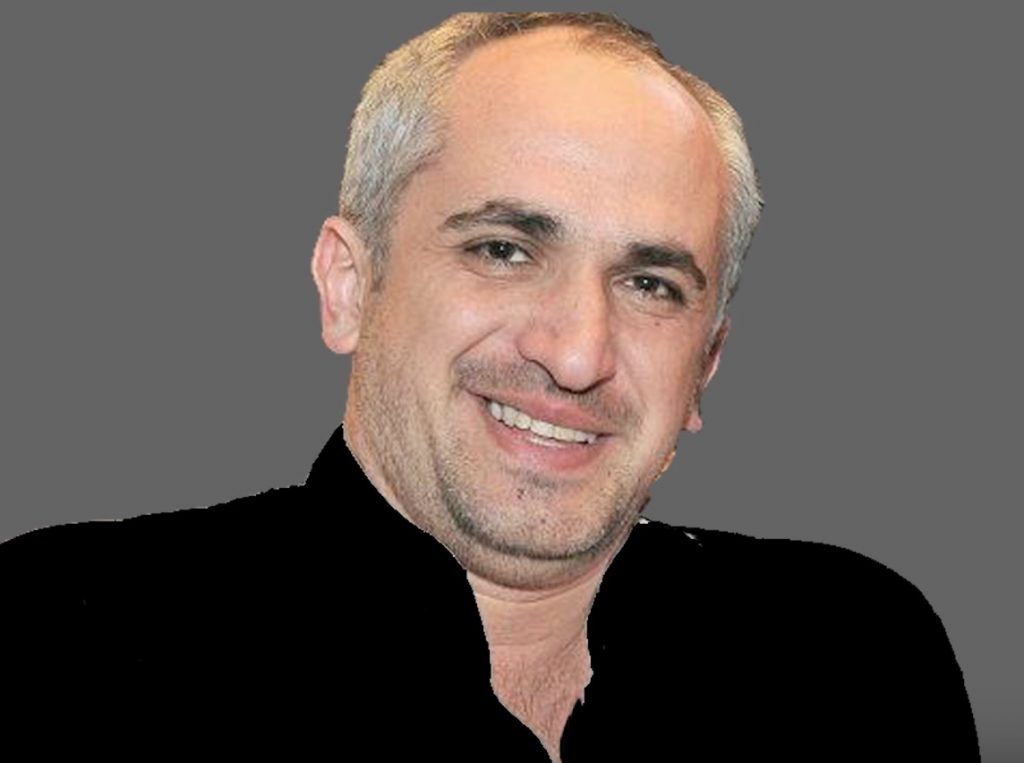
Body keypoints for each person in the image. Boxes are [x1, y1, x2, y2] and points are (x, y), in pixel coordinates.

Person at [0, 11, 978, 760]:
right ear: (350, 287)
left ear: (704, 365)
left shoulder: (853, 659)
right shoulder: (65, 645)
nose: (578, 353)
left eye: (650, 284)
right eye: (504, 249)